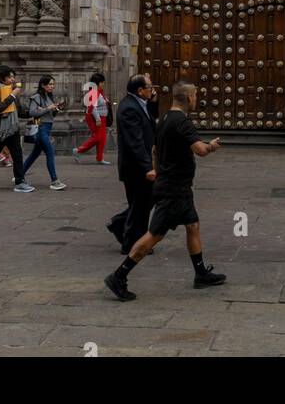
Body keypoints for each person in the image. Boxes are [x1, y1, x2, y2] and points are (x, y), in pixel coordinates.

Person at [104, 81, 225, 301]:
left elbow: (154, 149)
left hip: (174, 185)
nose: (197, 99)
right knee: (154, 235)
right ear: (188, 98)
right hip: (174, 188)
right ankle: (118, 276)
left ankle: (200, 273)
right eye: (195, 95)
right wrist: (212, 146)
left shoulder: (164, 118)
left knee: (193, 225)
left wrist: (156, 170)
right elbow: (200, 150)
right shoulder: (183, 122)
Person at [108, 74, 158, 254]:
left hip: (139, 164)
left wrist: (152, 102)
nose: (152, 90)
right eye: (150, 87)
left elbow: (149, 125)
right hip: (135, 167)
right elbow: (134, 142)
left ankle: (121, 225)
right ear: (140, 90)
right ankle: (130, 243)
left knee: (143, 202)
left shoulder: (138, 104)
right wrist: (148, 167)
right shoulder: (129, 108)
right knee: (142, 202)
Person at [22, 74, 67, 190]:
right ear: (43, 85)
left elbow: (50, 114)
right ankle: (54, 181)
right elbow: (32, 112)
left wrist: (56, 108)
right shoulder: (37, 97)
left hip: (47, 127)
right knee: (50, 152)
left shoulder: (49, 97)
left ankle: (19, 174)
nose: (52, 86)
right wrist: (48, 108)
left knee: (35, 153)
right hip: (40, 128)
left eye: (53, 84)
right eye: (50, 84)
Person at [73, 71, 111, 164]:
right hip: (96, 118)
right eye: (102, 82)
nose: (103, 84)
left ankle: (99, 158)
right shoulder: (94, 92)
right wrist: (98, 119)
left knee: (102, 139)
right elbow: (92, 107)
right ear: (97, 83)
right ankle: (78, 150)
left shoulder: (99, 92)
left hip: (102, 118)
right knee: (97, 138)